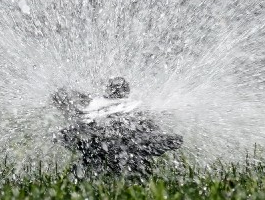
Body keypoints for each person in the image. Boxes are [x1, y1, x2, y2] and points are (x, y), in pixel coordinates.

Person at [52, 76, 183, 177]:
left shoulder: (96, 103)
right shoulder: (130, 104)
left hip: (103, 137)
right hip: (121, 137)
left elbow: (67, 102)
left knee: (97, 150)